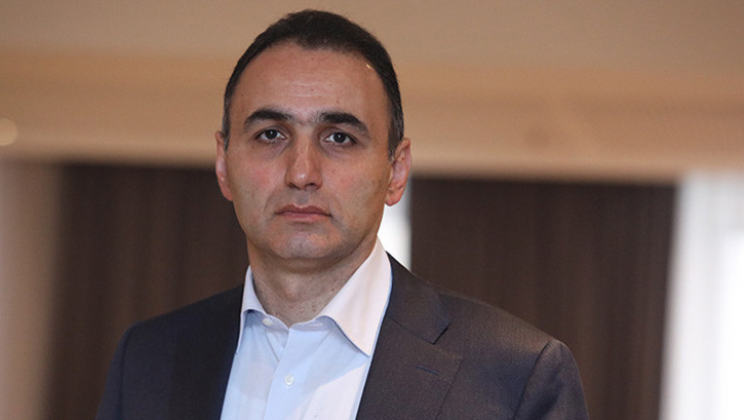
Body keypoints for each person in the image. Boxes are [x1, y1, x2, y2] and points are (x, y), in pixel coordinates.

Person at [97, 9, 589, 420]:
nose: (302, 173)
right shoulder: (148, 359)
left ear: (395, 172)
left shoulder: (517, 379)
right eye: (271, 134)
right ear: (224, 165)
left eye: (339, 138)